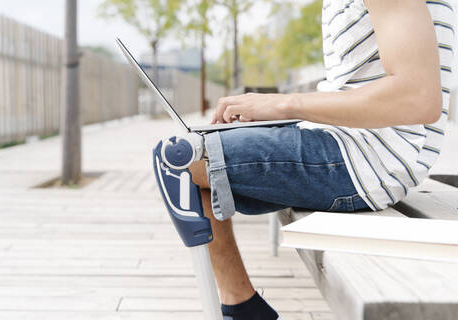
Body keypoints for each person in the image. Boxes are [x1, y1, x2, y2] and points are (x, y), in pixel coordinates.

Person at [184, 1, 455, 319]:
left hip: (368, 159)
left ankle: (241, 308)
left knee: (181, 159)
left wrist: (284, 105)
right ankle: (242, 306)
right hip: (358, 147)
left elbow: (418, 96)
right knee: (191, 150)